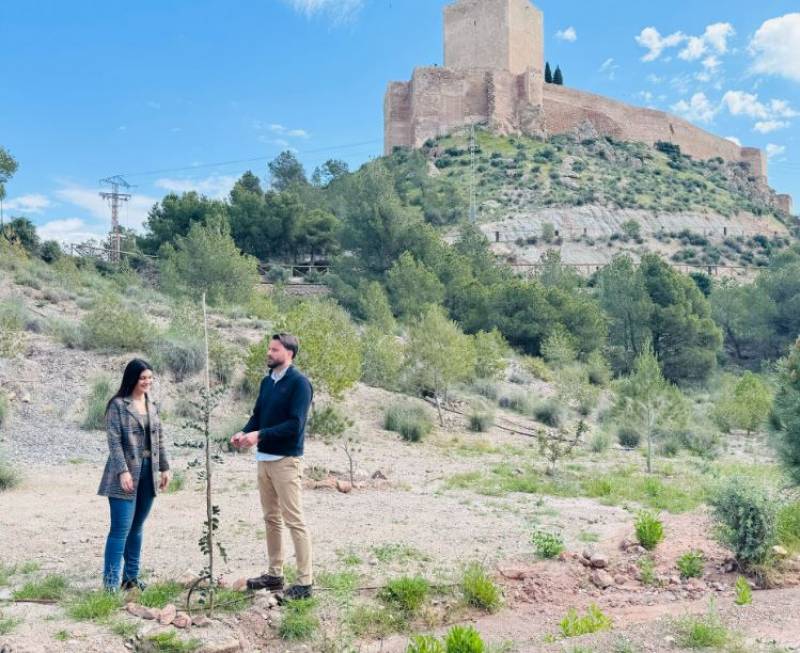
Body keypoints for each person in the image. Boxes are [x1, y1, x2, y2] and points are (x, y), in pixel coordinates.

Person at [231, 333, 314, 600]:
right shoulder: (267, 382)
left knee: (294, 520)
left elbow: (295, 425)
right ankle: (274, 574)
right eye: (269, 348)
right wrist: (244, 432)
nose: (268, 353)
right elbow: (257, 415)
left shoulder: (300, 384)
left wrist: (260, 435)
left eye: (274, 349)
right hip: (264, 460)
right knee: (271, 519)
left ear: (289, 353)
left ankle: (304, 583)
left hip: (286, 461)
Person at [98, 359, 170, 591]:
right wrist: (123, 471)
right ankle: (110, 586)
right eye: (142, 378)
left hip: (149, 471)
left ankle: (130, 579)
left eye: (150, 377)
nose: (147, 382)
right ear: (132, 379)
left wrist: (165, 468)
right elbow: (114, 441)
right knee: (120, 529)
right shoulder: (118, 405)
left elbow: (160, 439)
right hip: (125, 473)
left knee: (137, 527)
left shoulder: (153, 404)